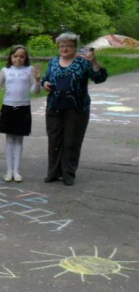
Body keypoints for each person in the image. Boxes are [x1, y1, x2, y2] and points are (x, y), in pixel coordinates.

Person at [41, 32, 108, 186]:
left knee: (71, 141)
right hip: (54, 108)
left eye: (68, 46)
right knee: (54, 141)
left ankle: (68, 173)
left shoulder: (83, 62)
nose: (64, 49)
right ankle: (53, 173)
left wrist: (94, 62)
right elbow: (45, 79)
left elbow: (100, 78)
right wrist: (44, 84)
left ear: (75, 47)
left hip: (77, 109)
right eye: (61, 46)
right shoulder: (53, 62)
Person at [0, 45, 41, 183]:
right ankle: (8, 171)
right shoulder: (5, 71)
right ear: (10, 57)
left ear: (25, 58)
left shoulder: (28, 70)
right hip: (8, 107)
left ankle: (16, 171)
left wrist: (37, 80)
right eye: (15, 56)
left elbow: (35, 91)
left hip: (23, 108)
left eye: (22, 56)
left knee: (19, 141)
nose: (18, 59)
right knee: (9, 140)